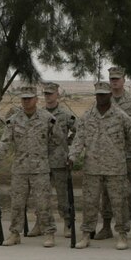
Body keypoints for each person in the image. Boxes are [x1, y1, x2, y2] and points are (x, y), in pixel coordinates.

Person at [0, 85, 61, 247]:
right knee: (17, 203)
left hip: (40, 169)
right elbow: (5, 142)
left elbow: (58, 141)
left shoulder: (47, 119)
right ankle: (15, 233)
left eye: (29, 98)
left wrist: (51, 158)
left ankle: (49, 233)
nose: (26, 101)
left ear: (36, 99)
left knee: (43, 203)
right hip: (20, 169)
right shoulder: (14, 120)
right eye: (24, 98)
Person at [68, 81, 131, 250]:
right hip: (92, 167)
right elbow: (79, 140)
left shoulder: (121, 116)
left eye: (104, 95)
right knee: (89, 202)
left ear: (110, 95)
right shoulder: (87, 116)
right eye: (98, 95)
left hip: (116, 168)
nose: (100, 98)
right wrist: (72, 157)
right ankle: (86, 234)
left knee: (119, 203)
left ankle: (122, 234)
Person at [94, 66, 131, 239]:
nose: (114, 82)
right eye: (112, 79)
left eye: (117, 79)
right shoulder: (103, 101)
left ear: (124, 80)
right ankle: (106, 226)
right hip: (108, 155)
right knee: (107, 193)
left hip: (129, 155)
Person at [40, 82, 76, 238]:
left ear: (57, 95)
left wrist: (68, 143)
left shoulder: (65, 114)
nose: (48, 96)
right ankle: (41, 223)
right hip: (41, 160)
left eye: (51, 93)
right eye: (46, 94)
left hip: (60, 160)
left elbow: (79, 130)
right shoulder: (40, 114)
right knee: (41, 195)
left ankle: (68, 223)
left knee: (63, 195)